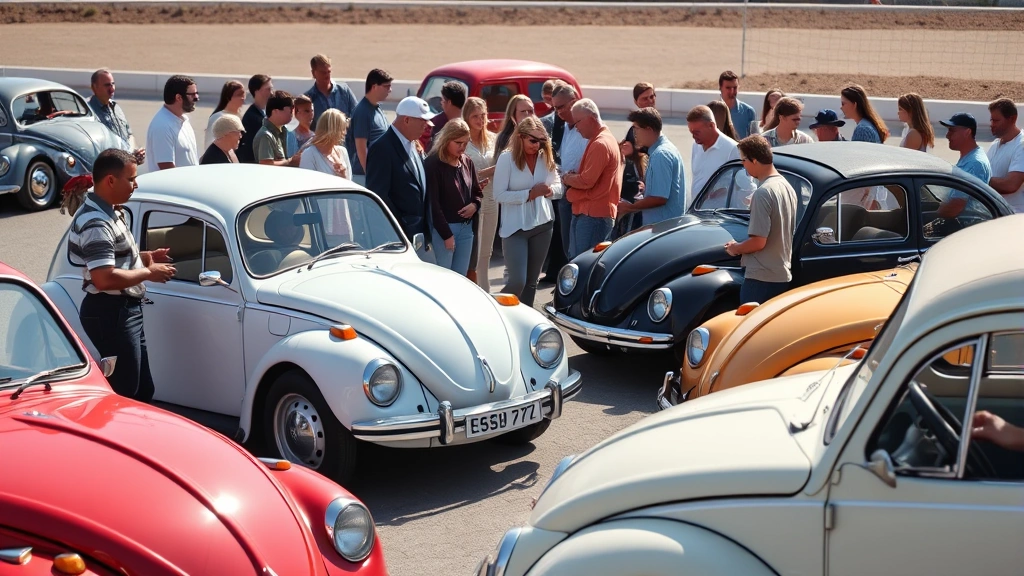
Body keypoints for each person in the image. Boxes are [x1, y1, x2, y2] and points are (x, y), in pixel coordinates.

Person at [70, 149, 175, 402]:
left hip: (122, 310)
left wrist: (145, 256)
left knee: (141, 389)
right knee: (126, 393)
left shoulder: (109, 211)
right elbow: (104, 278)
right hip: (111, 313)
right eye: (131, 179)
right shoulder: (96, 222)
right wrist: (148, 273)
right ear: (110, 180)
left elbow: (112, 257)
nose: (135, 184)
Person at [492, 116, 560, 306]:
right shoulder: (507, 159)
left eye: (541, 141)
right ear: (520, 137)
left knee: (531, 283)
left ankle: (525, 322)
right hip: (515, 229)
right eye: (533, 140)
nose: (537, 145)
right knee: (517, 281)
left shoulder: (545, 156)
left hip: (543, 225)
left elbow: (558, 186)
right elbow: (499, 195)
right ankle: (494, 308)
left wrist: (550, 191)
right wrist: (529, 194)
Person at [724, 135, 797, 304]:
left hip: (762, 277)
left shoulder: (763, 192)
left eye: (743, 161)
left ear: (754, 160)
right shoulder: (786, 186)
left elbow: (758, 242)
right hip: (781, 274)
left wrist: (735, 248)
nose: (743, 166)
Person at [366, 96, 435, 261]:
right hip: (397, 239)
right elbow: (378, 196)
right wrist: (401, 228)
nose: (426, 127)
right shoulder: (382, 148)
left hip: (417, 237)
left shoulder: (412, 144)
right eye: (422, 122)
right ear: (406, 120)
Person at [564, 99, 623, 258]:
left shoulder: (601, 143)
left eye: (577, 123)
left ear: (590, 119)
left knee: (583, 265)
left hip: (593, 216)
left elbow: (586, 181)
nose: (576, 128)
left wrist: (567, 178)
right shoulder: (601, 140)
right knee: (580, 263)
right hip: (590, 213)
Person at [426, 120, 483, 275]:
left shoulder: (467, 161)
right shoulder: (433, 164)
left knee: (461, 278)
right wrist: (446, 235)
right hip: (444, 229)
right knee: (444, 278)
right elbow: (433, 204)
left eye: (466, 143)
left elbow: (477, 192)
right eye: (458, 143)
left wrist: (475, 205)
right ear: (446, 140)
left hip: (466, 229)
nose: (462, 147)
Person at [618, 107, 684, 227]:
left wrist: (630, 207)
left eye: (636, 129)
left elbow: (659, 198)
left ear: (648, 129)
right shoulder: (664, 149)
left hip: (661, 230)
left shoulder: (660, 155)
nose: (634, 134)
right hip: (664, 228)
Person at [462, 97, 498, 288]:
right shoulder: (462, 141)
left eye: (483, 115)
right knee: (472, 252)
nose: (480, 119)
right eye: (475, 116)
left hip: (492, 199)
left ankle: (486, 290)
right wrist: (489, 171)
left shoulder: (493, 138)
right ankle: (471, 289)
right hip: (470, 202)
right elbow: (460, 174)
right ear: (467, 118)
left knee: (487, 251)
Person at [88, 69, 145, 163]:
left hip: (126, 164)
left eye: (112, 84)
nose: (112, 88)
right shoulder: (88, 110)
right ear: (94, 87)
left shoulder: (116, 107)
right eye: (107, 85)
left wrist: (135, 152)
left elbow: (129, 134)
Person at [347, 68, 393, 185]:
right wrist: (371, 175)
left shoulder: (377, 109)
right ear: (374, 86)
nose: (390, 90)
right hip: (365, 177)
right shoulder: (362, 111)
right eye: (386, 86)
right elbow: (361, 148)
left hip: (377, 173)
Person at [689, 105, 740, 205]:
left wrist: (721, 190)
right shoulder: (696, 146)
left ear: (711, 125)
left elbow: (742, 186)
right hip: (696, 212)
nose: (693, 136)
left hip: (718, 216)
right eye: (691, 132)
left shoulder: (732, 149)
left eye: (697, 132)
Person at [145, 75, 199, 172]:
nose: (196, 98)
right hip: (175, 186)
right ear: (178, 97)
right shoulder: (162, 126)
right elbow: (166, 167)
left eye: (196, 93)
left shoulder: (184, 120)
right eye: (192, 94)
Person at [986, 98, 1024, 213]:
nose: (992, 125)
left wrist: (979, 179)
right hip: (994, 214)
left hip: (1013, 218)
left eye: (996, 120)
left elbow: (1011, 185)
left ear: (1012, 119)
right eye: (991, 120)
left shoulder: (1021, 146)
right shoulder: (995, 145)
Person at [304, 54, 358, 130]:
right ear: (313, 73)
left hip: (346, 139)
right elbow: (306, 128)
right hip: (322, 141)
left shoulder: (344, 90)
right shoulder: (309, 98)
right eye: (323, 72)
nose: (327, 76)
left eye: (329, 72)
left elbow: (357, 115)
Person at [254, 91, 302, 167]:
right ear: (275, 111)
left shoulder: (281, 131)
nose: (293, 111)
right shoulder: (266, 135)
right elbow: (265, 165)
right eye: (291, 107)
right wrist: (290, 161)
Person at [299, 109, 351, 178]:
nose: (345, 133)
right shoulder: (309, 154)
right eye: (342, 129)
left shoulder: (343, 151)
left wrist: (343, 176)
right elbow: (307, 185)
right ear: (332, 130)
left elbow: (350, 183)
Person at [942, 113, 991, 183]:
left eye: (952, 131)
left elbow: (961, 194)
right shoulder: (970, 158)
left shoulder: (974, 164)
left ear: (967, 132)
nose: (947, 135)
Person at [613, 137, 647, 238]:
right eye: (625, 140)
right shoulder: (618, 160)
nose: (625, 143)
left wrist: (644, 187)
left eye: (630, 141)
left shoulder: (640, 164)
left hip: (633, 214)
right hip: (618, 211)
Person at [238, 74, 273, 164]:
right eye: (268, 89)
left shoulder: (268, 113)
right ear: (256, 91)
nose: (271, 92)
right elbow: (249, 150)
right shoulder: (251, 118)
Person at [423, 81, 467, 148]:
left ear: (449, 102)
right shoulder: (468, 122)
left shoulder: (434, 123)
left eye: (442, 100)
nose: (441, 103)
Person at [204, 80, 245, 150]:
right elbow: (209, 145)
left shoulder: (240, 116)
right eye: (239, 95)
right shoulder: (218, 117)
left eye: (243, 94)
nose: (243, 98)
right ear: (228, 97)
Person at [719, 71, 757, 139]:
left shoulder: (748, 111)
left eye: (735, 88)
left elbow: (755, 140)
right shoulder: (711, 111)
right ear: (720, 88)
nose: (732, 91)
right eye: (728, 88)